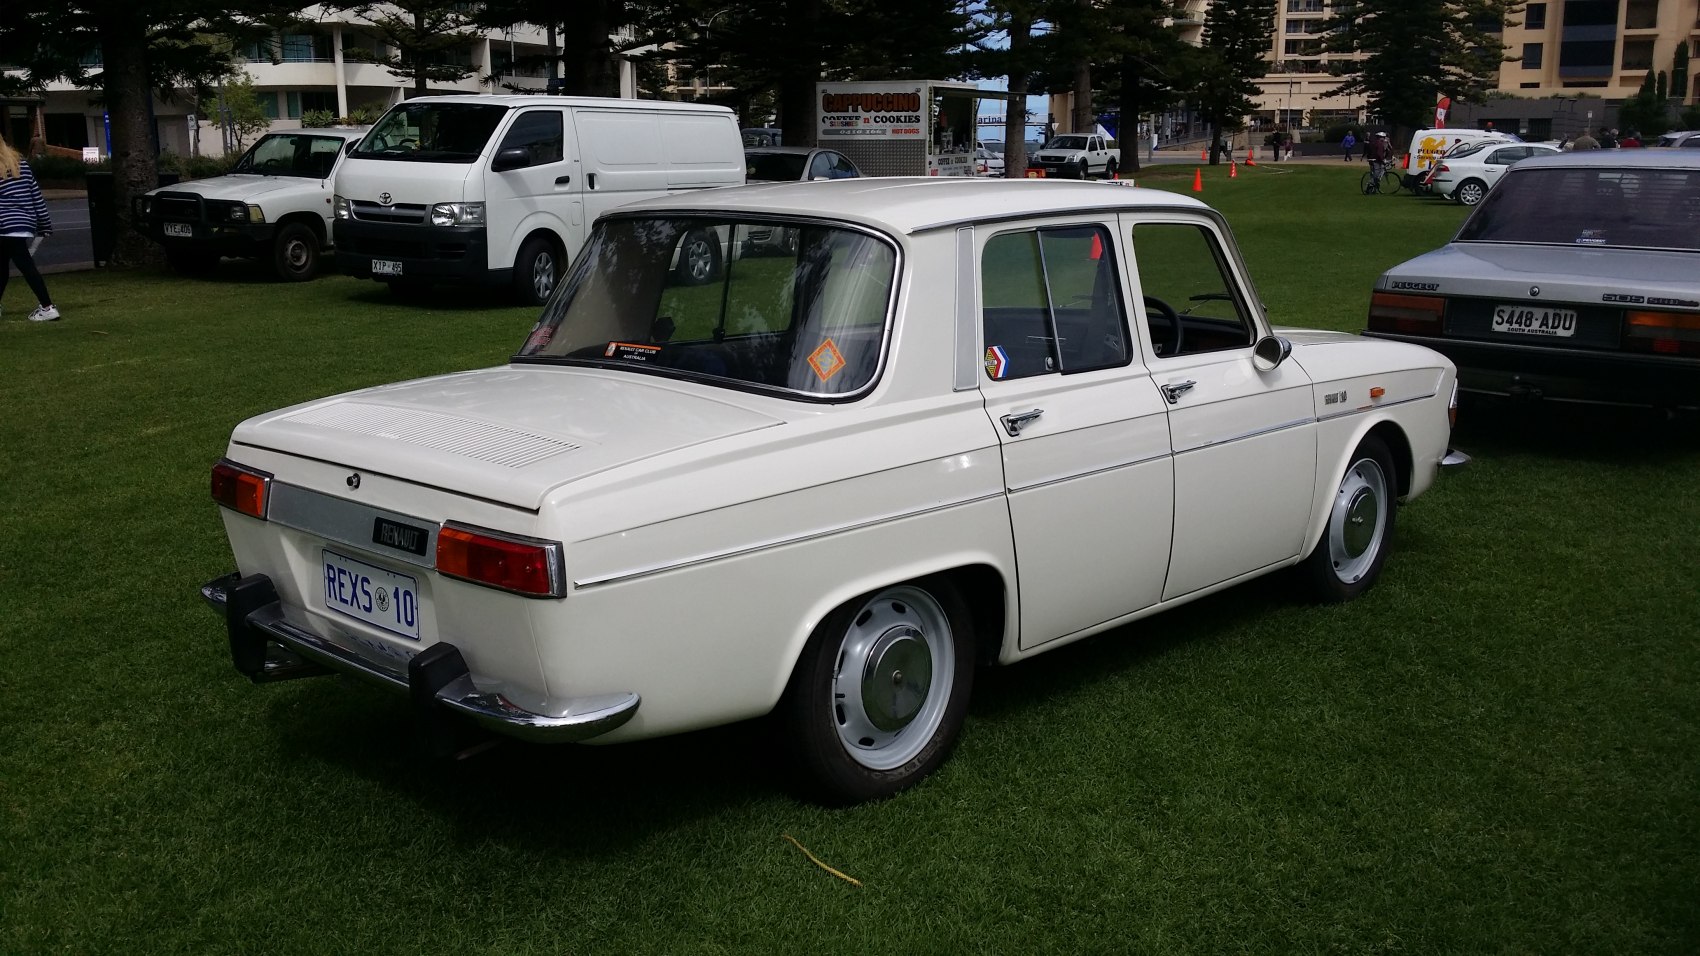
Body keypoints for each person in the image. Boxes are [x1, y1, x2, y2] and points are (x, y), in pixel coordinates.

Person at [0, 139, 58, 322]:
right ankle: (46, 306)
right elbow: (36, 196)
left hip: (3, 224)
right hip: (23, 222)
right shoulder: (21, 165)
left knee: (21, 266)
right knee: (16, 264)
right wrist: (45, 224)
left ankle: (47, 306)